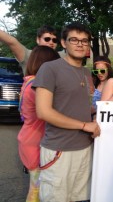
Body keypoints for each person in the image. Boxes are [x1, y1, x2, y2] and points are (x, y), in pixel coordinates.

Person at [32, 23, 100, 202]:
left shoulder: (86, 72)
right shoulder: (49, 68)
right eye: (74, 40)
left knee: (81, 198)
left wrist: (106, 111)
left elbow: (80, 106)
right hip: (59, 150)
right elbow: (43, 111)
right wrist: (85, 125)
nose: (80, 44)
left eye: (84, 41)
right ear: (64, 43)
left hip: (85, 149)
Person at [17, 45, 60, 202]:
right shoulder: (37, 86)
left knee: (35, 188)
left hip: (28, 138)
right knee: (37, 191)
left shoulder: (28, 82)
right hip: (35, 142)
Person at [0, 25, 64, 74]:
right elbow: (11, 42)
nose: (51, 42)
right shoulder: (28, 55)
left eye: (54, 40)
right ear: (38, 40)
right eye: (47, 39)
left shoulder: (62, 56)